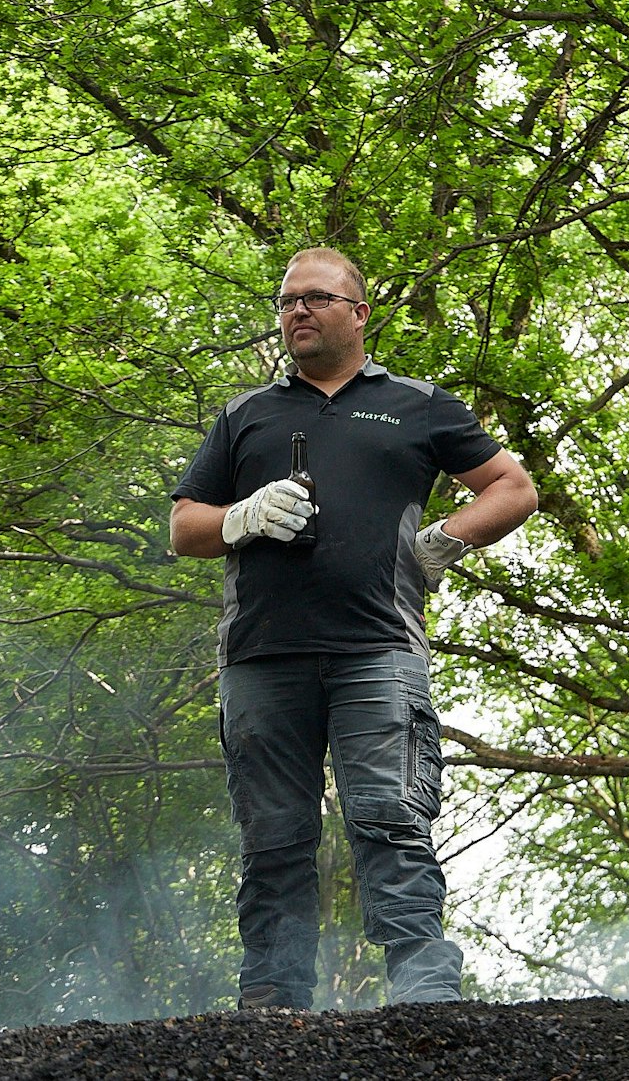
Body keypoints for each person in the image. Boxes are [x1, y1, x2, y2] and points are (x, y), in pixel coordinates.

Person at [171, 247, 539, 1008]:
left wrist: (443, 540)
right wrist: (239, 517)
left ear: (360, 312)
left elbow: (513, 485)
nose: (297, 311)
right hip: (261, 655)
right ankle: (273, 1001)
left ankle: (426, 993)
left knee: (391, 818)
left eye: (315, 298)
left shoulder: (419, 404)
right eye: (285, 300)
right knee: (272, 837)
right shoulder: (247, 414)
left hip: (378, 650)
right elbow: (184, 527)